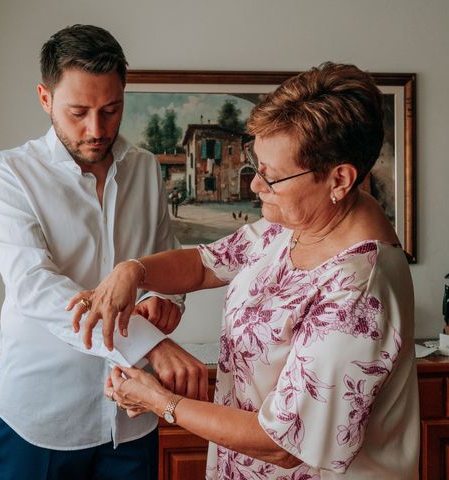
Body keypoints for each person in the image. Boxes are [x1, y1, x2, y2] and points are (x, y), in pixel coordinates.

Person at [70, 62, 420, 479]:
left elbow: (282, 443)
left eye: (270, 178)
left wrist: (159, 401)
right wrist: (134, 271)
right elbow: (203, 265)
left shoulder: (358, 289)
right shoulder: (293, 223)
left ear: (339, 179)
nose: (255, 186)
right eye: (257, 169)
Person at [0, 24, 208, 480]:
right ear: (45, 99)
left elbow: (165, 256)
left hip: (132, 414)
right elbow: (34, 288)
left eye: (111, 110)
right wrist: (152, 343)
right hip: (41, 419)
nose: (95, 129)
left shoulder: (145, 168)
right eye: (78, 112)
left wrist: (164, 301)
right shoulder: (7, 173)